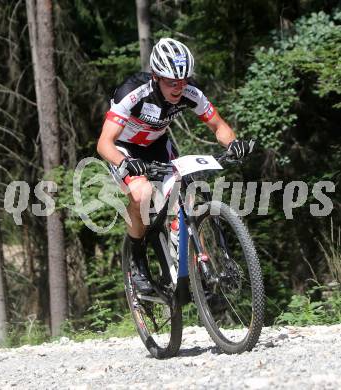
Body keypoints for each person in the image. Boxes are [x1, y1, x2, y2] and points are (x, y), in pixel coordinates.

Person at [97, 37, 253, 293]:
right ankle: (137, 262)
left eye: (183, 80)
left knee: (187, 197)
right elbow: (104, 143)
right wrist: (126, 162)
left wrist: (233, 143)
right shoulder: (132, 93)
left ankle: (192, 265)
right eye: (172, 82)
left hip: (158, 147)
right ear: (156, 76)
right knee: (143, 193)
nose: (179, 87)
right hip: (125, 150)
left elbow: (219, 126)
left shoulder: (190, 92)